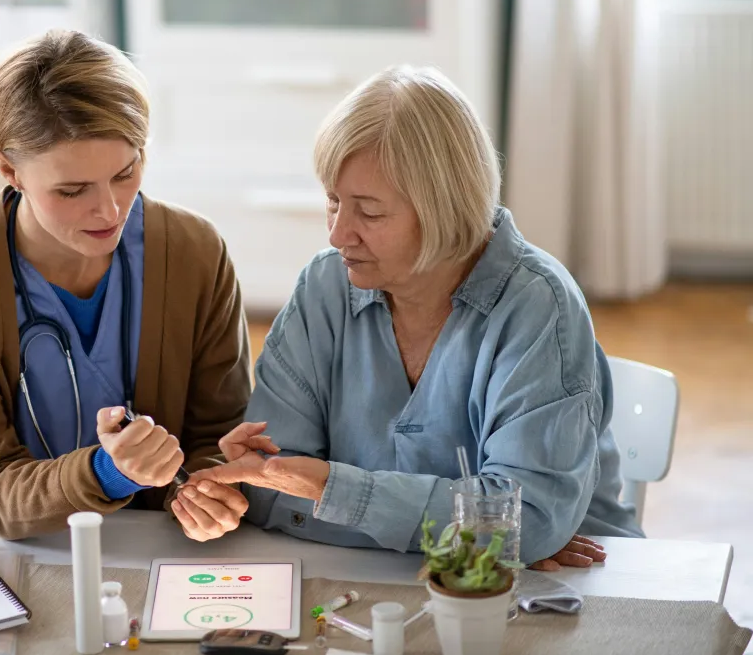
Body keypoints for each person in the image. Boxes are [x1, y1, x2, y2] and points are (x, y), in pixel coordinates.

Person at [186, 66, 643, 569]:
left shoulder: (539, 305)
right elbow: (272, 491)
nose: (339, 235)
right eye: (333, 202)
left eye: (370, 212)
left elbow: (526, 523)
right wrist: (478, 533)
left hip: (576, 588)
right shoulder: (323, 287)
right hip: (400, 579)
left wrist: (330, 490)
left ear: (445, 208)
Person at [0, 30, 252, 541]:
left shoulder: (195, 252)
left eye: (126, 173)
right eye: (71, 190)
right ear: (8, 169)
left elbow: (218, 434)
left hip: (150, 538)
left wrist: (200, 491)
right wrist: (108, 472)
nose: (109, 211)